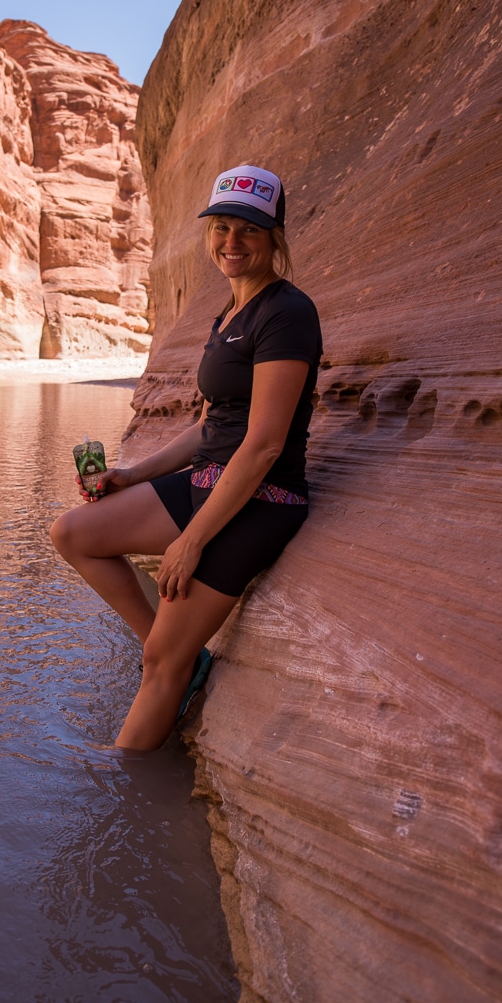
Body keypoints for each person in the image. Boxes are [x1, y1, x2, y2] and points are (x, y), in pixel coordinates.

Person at [50, 164, 322, 752]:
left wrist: (192, 539)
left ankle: (125, 779)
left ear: (273, 235)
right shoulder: (226, 314)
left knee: (158, 670)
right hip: (208, 479)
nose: (231, 242)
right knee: (73, 533)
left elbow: (264, 444)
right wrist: (130, 474)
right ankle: (178, 649)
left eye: (248, 230)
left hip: (258, 499)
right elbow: (210, 430)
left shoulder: (287, 313)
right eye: (221, 227)